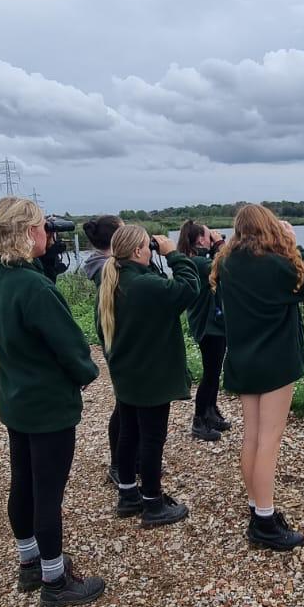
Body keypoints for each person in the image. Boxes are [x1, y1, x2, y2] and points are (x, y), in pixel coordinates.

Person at [0, 196, 106, 607]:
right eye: (41, 227)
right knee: (49, 491)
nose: (47, 234)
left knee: (23, 481)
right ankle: (56, 581)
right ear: (28, 231)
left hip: (16, 399)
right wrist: (87, 375)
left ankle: (29, 562)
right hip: (47, 405)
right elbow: (71, 347)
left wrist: (46, 267)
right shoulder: (33, 287)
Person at [211, 205, 304, 551]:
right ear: (269, 227)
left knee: (252, 437)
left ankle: (257, 507)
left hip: (243, 360)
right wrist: (295, 245)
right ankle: (264, 520)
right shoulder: (275, 263)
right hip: (275, 363)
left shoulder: (227, 263)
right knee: (269, 441)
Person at [97, 224, 201, 527]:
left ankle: (128, 496)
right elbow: (188, 288)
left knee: (129, 433)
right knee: (152, 439)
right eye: (147, 245)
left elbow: (100, 331)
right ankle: (154, 504)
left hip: (127, 375)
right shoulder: (144, 285)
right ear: (138, 251)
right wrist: (173, 255)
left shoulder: (113, 283)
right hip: (151, 377)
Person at [176, 219, 230, 443]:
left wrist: (216, 246)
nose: (212, 237)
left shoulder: (194, 261)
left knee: (214, 371)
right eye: (208, 235)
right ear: (199, 239)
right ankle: (199, 420)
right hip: (209, 326)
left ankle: (211, 411)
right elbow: (228, 266)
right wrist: (220, 244)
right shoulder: (198, 263)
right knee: (210, 373)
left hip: (211, 324)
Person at [82, 214, 123, 484]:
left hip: (115, 339)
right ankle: (120, 464)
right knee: (125, 406)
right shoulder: (108, 268)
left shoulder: (103, 264)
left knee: (127, 404)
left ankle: (127, 461)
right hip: (118, 341)